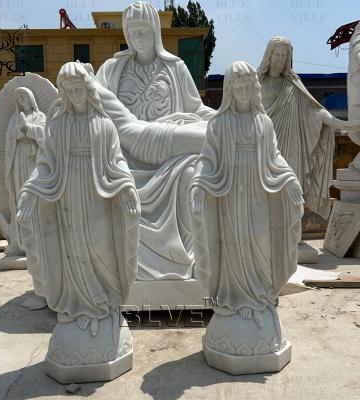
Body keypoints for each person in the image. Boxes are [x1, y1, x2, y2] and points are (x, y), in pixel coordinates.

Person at [17, 62, 140, 336]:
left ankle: (106, 305)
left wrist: (128, 187)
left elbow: (117, 162)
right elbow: (45, 163)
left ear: (88, 89)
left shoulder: (104, 125)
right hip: (68, 197)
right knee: (73, 252)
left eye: (78, 88)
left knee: (101, 248)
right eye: (68, 90)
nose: (74, 94)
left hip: (98, 198)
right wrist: (29, 192)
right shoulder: (58, 126)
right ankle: (80, 307)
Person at [96, 1, 215, 280]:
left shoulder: (175, 67)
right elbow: (92, 108)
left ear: (155, 31)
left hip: (172, 156)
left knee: (191, 174)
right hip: (125, 155)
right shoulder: (112, 69)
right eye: (132, 31)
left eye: (144, 30)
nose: (138, 37)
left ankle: (186, 263)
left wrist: (222, 116)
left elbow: (195, 109)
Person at [190, 61, 303, 327]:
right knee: (231, 246)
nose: (242, 88)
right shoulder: (219, 123)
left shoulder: (263, 122)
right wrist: (198, 184)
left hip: (258, 194)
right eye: (236, 84)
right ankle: (234, 301)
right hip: (229, 196)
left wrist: (290, 180)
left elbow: (274, 158)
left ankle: (261, 299)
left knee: (262, 243)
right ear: (229, 88)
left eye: (246, 84)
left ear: (254, 88)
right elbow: (207, 159)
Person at [258, 36, 360, 219]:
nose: (280, 60)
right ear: (269, 55)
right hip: (263, 145)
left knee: (290, 189)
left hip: (290, 147)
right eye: (277, 55)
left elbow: (315, 111)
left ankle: (291, 232)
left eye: (284, 56)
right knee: (263, 193)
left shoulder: (292, 84)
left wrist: (341, 123)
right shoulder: (256, 83)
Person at [5, 87, 46, 256]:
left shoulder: (40, 116)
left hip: (33, 161)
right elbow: (10, 138)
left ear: (31, 98)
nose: (21, 99)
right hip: (19, 160)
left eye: (24, 96)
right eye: (19, 97)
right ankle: (21, 241)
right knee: (19, 196)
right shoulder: (14, 118)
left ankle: (39, 239)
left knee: (33, 198)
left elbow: (45, 136)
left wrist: (28, 129)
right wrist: (19, 131)